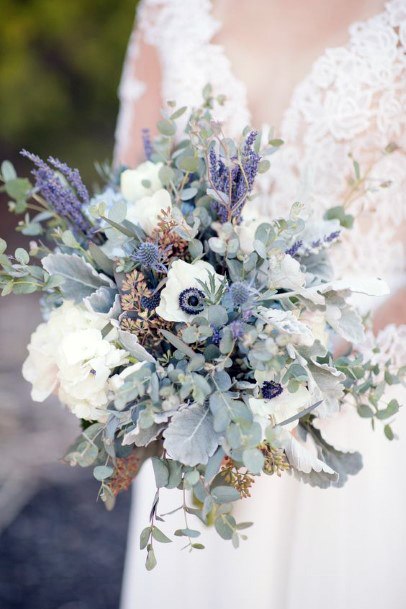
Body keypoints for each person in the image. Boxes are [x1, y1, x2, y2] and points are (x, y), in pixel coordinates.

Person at [115, 2, 406, 607]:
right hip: (197, 410)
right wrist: (152, 336)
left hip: (364, 396)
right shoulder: (169, 10)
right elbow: (130, 194)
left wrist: (329, 354)